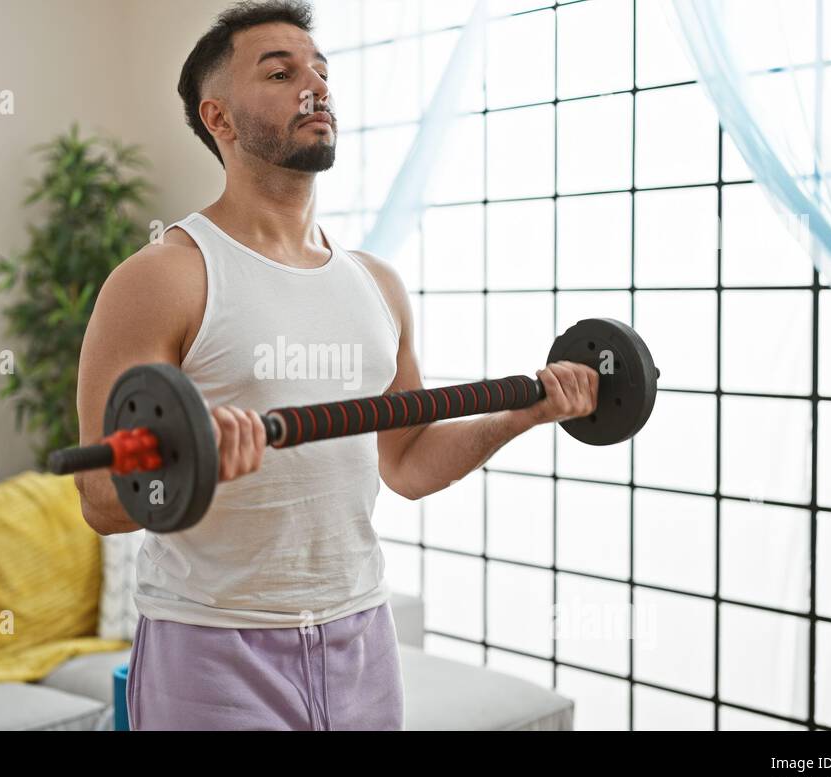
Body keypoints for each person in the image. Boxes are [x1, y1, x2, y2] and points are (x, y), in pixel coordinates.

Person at [74, 0, 598, 730]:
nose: (313, 87)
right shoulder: (163, 278)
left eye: (320, 70)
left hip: (361, 638)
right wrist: (196, 463)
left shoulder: (376, 286)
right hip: (212, 644)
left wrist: (524, 412)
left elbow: (407, 464)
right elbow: (100, 497)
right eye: (281, 72)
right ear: (218, 118)